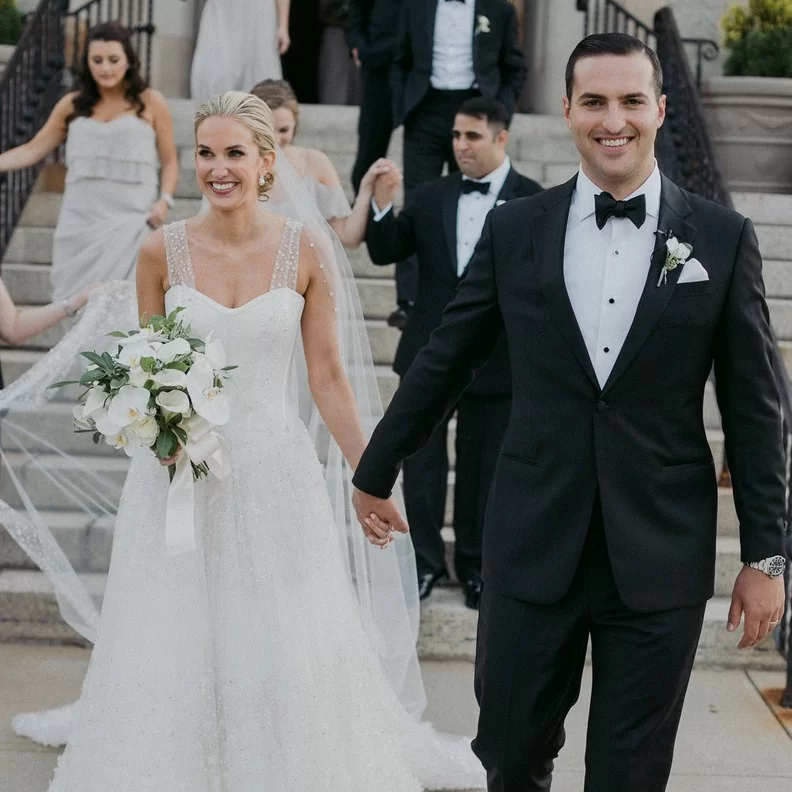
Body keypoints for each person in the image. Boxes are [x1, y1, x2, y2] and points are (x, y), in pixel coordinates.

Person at [9, 91, 484, 790]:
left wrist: (369, 477)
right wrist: (153, 427)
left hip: (273, 470)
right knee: (175, 630)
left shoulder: (305, 249)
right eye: (206, 153)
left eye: (235, 153)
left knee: (282, 632)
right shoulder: (158, 251)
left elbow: (328, 381)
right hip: (177, 479)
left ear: (267, 162)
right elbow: (146, 364)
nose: (218, 168)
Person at [352, 33, 787, 791]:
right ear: (566, 111)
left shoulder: (722, 238)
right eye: (594, 101)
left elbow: (756, 411)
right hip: (530, 540)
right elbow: (446, 357)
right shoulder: (517, 228)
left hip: (658, 553)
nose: (611, 119)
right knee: (508, 760)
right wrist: (376, 467)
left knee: (630, 774)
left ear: (657, 108)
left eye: (629, 101)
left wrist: (767, 554)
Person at [365, 97, 541, 609]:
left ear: (501, 138)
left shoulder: (535, 200)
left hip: (500, 361)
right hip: (429, 356)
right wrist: (381, 205)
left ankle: (476, 566)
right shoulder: (431, 194)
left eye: (473, 137)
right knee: (419, 467)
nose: (460, 146)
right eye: (457, 137)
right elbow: (385, 250)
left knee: (484, 471)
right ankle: (422, 562)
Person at [0, 22, 178, 302]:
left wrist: (164, 200)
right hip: (80, 223)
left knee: (126, 305)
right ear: (86, 63)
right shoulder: (71, 105)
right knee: (77, 305)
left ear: (129, 61)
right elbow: (32, 150)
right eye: (97, 60)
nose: (105, 68)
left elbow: (169, 161)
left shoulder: (151, 102)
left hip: (129, 222)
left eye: (113, 60)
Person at [386, 0, 527, 329]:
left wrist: (500, 113)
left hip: (476, 108)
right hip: (426, 109)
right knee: (418, 203)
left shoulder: (500, 10)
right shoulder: (414, 7)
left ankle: (468, 294)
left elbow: (515, 67)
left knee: (471, 201)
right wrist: (403, 102)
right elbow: (400, 60)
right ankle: (409, 300)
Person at [247, 79, 394, 247]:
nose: (275, 139)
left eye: (284, 130)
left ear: (295, 125)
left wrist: (366, 188)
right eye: (267, 129)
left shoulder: (314, 163)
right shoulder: (236, 166)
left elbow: (347, 237)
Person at [347, 0, 403, 194]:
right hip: (378, 58)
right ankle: (363, 209)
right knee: (370, 145)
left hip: (425, 62)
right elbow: (356, 8)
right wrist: (357, 42)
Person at [190, 0, 290, 100]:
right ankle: (214, 109)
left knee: (259, 67)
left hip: (258, 11)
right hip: (222, 9)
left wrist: (283, 26)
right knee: (213, 67)